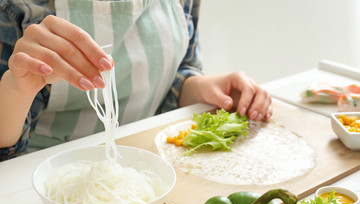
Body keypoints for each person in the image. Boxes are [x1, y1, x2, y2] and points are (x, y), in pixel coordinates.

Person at [0, 0, 272, 161]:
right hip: (42, 174)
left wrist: (201, 88)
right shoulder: (15, 7)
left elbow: (177, 73)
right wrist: (16, 89)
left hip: (149, 159)